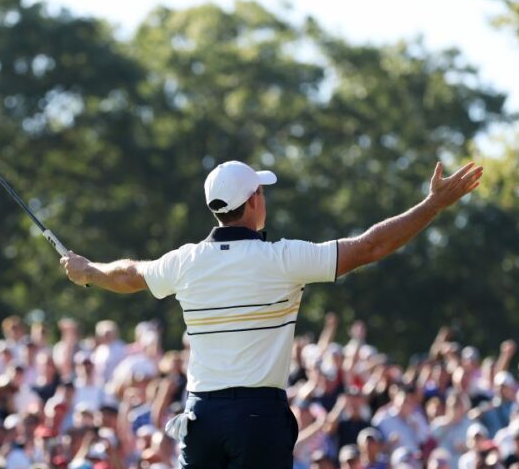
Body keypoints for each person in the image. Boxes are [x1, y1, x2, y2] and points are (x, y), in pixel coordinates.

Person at [61, 159, 482, 468]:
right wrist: (432, 205)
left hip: (202, 416)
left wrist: (88, 272)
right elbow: (369, 246)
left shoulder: (185, 262)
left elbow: (129, 274)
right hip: (258, 418)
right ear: (254, 201)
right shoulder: (282, 258)